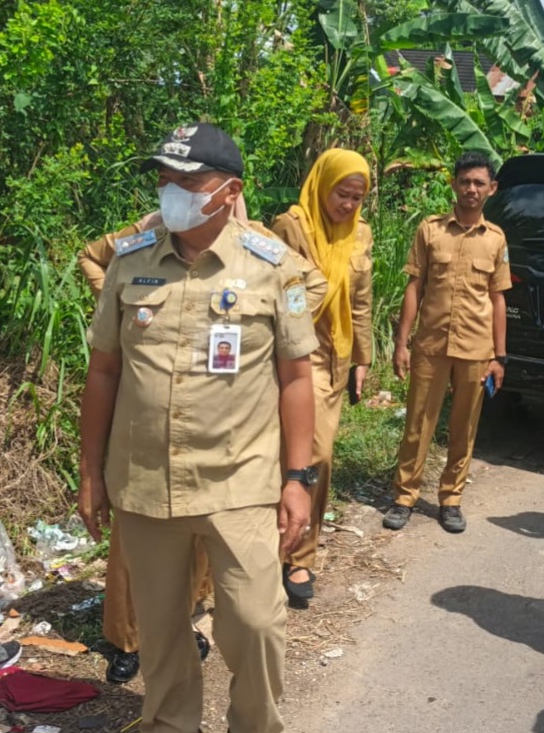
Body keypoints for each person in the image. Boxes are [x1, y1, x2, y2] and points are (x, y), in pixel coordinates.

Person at [79, 122, 319, 733]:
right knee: (159, 636)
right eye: (164, 179)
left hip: (238, 481)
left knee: (257, 625)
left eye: (188, 180)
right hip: (144, 483)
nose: (171, 191)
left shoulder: (276, 270)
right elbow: (103, 371)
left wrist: (299, 478)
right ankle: (170, 724)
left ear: (228, 190)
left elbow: (296, 379)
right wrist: (90, 473)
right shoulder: (130, 264)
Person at [383, 151, 510, 534]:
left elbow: (498, 297)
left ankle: (451, 498)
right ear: (453, 184)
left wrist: (499, 356)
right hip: (431, 345)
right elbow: (414, 287)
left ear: (492, 189)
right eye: (465, 181)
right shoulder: (430, 230)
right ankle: (405, 496)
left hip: (476, 349)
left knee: (463, 427)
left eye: (479, 182)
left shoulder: (496, 240)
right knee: (418, 424)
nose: (471, 188)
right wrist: (402, 343)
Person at [271, 149, 373, 607]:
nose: (348, 205)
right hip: (295, 357)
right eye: (341, 194)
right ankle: (283, 554)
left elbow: (362, 301)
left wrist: (363, 359)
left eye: (357, 197)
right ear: (322, 184)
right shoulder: (290, 226)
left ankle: (300, 553)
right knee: (299, 456)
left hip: (336, 357)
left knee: (319, 459)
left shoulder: (361, 235)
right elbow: (274, 291)